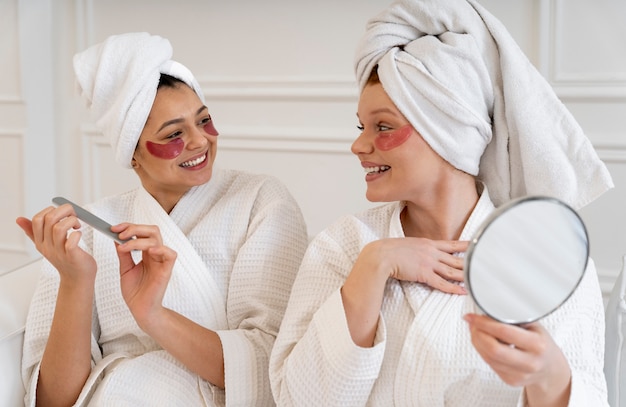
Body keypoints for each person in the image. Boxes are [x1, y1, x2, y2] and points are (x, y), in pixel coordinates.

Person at [269, 0, 613, 406]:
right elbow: (296, 400)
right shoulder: (343, 246)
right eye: (362, 126)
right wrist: (374, 266)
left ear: (448, 133)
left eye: (383, 127)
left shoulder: (547, 259)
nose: (359, 145)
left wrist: (550, 375)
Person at [16, 32, 308, 407]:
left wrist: (152, 315)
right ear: (132, 153)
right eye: (174, 134)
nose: (200, 141)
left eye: (204, 121)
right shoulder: (91, 232)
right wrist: (76, 280)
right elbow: (54, 401)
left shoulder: (260, 201)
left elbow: (271, 368)